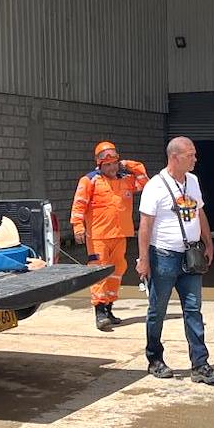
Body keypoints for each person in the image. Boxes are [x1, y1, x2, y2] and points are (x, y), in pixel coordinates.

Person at [135, 137, 214, 385]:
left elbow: (199, 212)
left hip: (191, 258)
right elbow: (145, 226)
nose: (195, 159)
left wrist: (209, 242)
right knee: (157, 310)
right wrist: (144, 260)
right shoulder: (155, 186)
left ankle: (200, 364)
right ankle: (155, 359)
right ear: (175, 157)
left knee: (193, 310)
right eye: (190, 155)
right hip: (163, 257)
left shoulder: (193, 181)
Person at [71, 141, 149, 331]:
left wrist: (128, 165)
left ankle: (109, 306)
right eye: (107, 164)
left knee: (117, 269)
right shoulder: (89, 180)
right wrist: (78, 226)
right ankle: (99, 311)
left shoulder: (126, 179)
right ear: (99, 165)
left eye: (114, 163)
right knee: (98, 271)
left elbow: (145, 181)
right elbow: (79, 204)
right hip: (98, 236)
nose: (112, 167)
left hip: (120, 234)